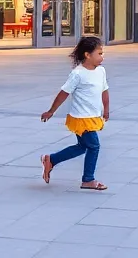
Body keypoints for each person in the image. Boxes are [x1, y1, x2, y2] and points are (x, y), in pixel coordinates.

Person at [40, 36, 110, 191]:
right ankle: (88, 180)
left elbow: (105, 90)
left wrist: (106, 109)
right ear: (87, 55)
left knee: (82, 147)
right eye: (99, 53)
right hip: (81, 118)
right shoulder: (78, 74)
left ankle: (51, 160)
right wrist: (51, 111)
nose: (102, 57)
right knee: (94, 146)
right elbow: (64, 93)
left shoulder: (101, 71)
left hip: (93, 116)